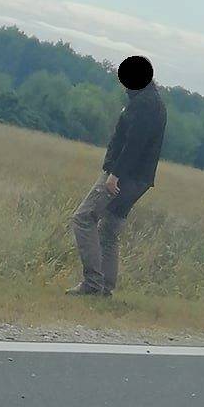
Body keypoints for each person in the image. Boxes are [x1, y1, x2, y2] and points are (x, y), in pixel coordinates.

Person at [67, 56, 167, 297]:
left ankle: (92, 283)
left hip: (124, 175)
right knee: (109, 230)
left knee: (83, 218)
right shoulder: (155, 103)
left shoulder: (143, 104)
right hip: (140, 179)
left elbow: (134, 144)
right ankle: (105, 288)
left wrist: (115, 175)